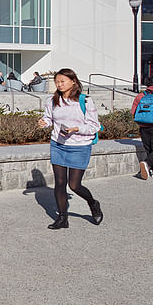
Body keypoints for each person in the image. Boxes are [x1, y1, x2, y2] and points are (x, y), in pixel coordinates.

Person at [37, 68, 103, 229]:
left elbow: (94, 126)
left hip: (79, 146)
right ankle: (62, 218)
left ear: (73, 81)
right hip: (58, 145)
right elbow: (49, 118)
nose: (59, 85)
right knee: (59, 183)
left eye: (62, 81)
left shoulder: (85, 100)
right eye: (57, 82)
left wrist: (76, 129)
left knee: (74, 185)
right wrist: (44, 122)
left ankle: (93, 203)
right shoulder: (52, 101)